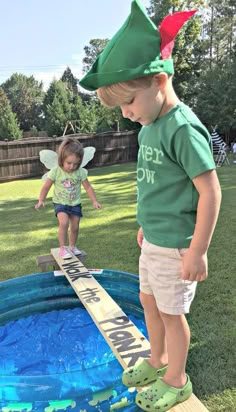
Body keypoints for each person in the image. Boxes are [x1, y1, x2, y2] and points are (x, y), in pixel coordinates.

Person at [79, 1, 222, 411]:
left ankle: (176, 379)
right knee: (148, 302)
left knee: (173, 314)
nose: (126, 114)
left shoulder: (182, 128)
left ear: (159, 80)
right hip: (153, 241)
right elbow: (155, 186)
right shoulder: (148, 130)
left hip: (178, 246)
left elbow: (210, 191)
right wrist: (145, 223)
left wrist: (197, 249)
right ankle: (157, 360)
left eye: (129, 103)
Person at [35, 137, 101, 259]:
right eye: (69, 163)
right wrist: (41, 200)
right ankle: (62, 248)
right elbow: (46, 187)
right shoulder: (56, 171)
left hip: (75, 204)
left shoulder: (80, 172)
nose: (72, 166)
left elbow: (88, 187)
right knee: (64, 223)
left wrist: (94, 200)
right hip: (60, 203)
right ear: (61, 160)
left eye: (76, 164)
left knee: (75, 227)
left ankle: (72, 246)